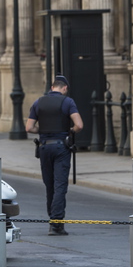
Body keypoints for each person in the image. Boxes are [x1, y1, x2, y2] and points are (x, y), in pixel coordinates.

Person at [26, 75, 84, 235]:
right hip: (61, 147)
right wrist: (69, 131)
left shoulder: (38, 102)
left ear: (52, 87)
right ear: (64, 88)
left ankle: (53, 219)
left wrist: (43, 131)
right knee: (60, 185)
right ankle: (56, 223)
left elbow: (29, 127)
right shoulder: (68, 102)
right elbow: (79, 125)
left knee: (49, 185)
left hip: (44, 147)